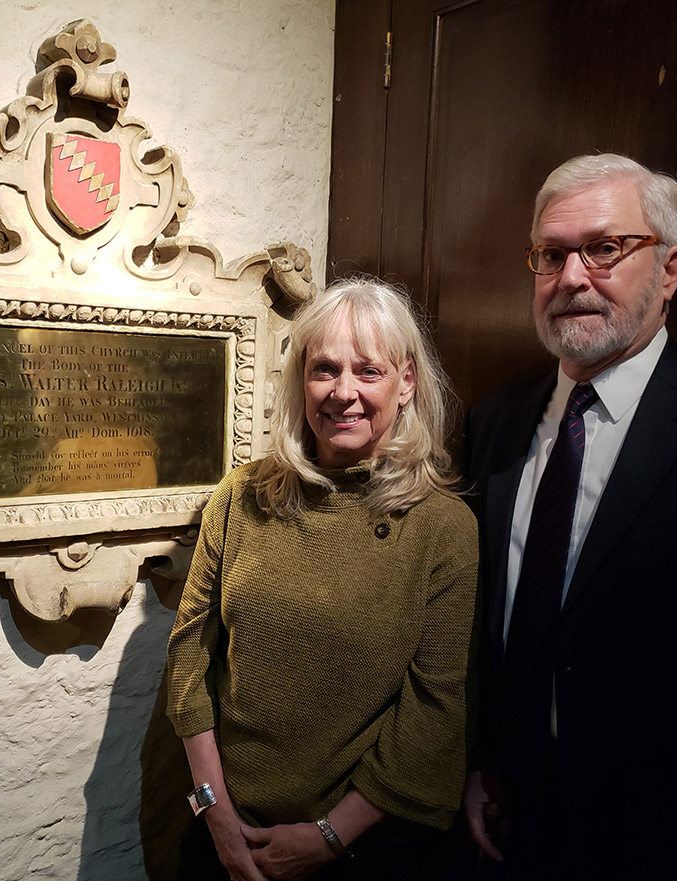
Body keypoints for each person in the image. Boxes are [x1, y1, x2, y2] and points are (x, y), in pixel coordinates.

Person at [166, 278, 479, 881]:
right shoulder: (240, 497)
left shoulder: (444, 527)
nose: (343, 393)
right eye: (324, 369)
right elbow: (188, 660)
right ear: (300, 382)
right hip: (226, 834)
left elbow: (433, 709)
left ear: (407, 381)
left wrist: (329, 838)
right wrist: (218, 819)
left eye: (369, 371)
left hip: (362, 849)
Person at [463, 153, 677, 879]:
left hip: (663, 835)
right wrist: (477, 763)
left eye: (604, 249)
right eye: (552, 254)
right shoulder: (494, 421)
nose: (571, 278)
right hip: (504, 821)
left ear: (668, 269)